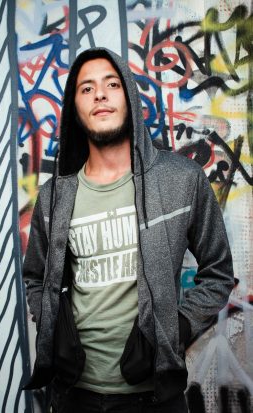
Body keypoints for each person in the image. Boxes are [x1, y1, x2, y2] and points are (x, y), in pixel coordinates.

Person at [23, 48, 234, 412]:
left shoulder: (181, 181)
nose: (100, 94)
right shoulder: (55, 195)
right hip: (73, 395)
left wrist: (174, 330)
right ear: (75, 108)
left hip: (154, 398)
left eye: (112, 84)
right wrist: (55, 329)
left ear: (130, 98)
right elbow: (35, 277)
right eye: (86, 89)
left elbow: (218, 274)